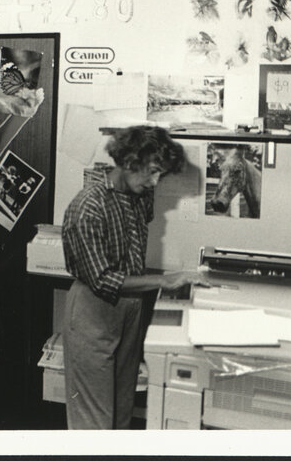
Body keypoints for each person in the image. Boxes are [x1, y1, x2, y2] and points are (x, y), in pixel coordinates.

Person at [61, 125, 205, 429]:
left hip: (130, 308)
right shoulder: (88, 206)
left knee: (122, 407)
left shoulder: (140, 196)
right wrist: (165, 280)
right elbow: (102, 280)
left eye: (159, 175)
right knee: (93, 421)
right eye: (151, 172)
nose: (155, 182)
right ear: (129, 162)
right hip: (93, 310)